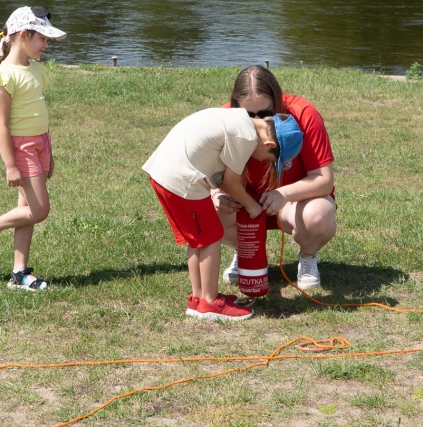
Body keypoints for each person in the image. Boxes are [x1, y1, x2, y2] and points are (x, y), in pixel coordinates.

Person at [143, 107, 303, 321]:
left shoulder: (240, 119)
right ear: (269, 144)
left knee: (197, 240)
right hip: (183, 179)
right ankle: (210, 302)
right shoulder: (246, 137)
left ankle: (198, 299)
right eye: (268, 159)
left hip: (165, 173)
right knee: (211, 237)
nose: (264, 162)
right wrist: (252, 207)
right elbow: (230, 182)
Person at [0, 6, 66, 291]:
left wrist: (49, 152)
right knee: (40, 210)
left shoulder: (36, 69)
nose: (46, 45)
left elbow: (40, 114)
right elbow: (1, 125)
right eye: (43, 39)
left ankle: (19, 273)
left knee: (27, 210)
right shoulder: (5, 77)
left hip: (41, 144)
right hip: (22, 148)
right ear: (24, 36)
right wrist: (10, 165)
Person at [216, 65, 336, 291]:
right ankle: (245, 251)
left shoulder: (303, 113)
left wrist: (284, 193)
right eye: (248, 115)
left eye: (265, 113)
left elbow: (324, 179)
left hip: (293, 203)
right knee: (208, 210)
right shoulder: (223, 118)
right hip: (243, 201)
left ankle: (308, 256)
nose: (257, 122)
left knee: (319, 215)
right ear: (235, 106)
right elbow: (207, 173)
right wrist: (215, 195)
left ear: (277, 100)